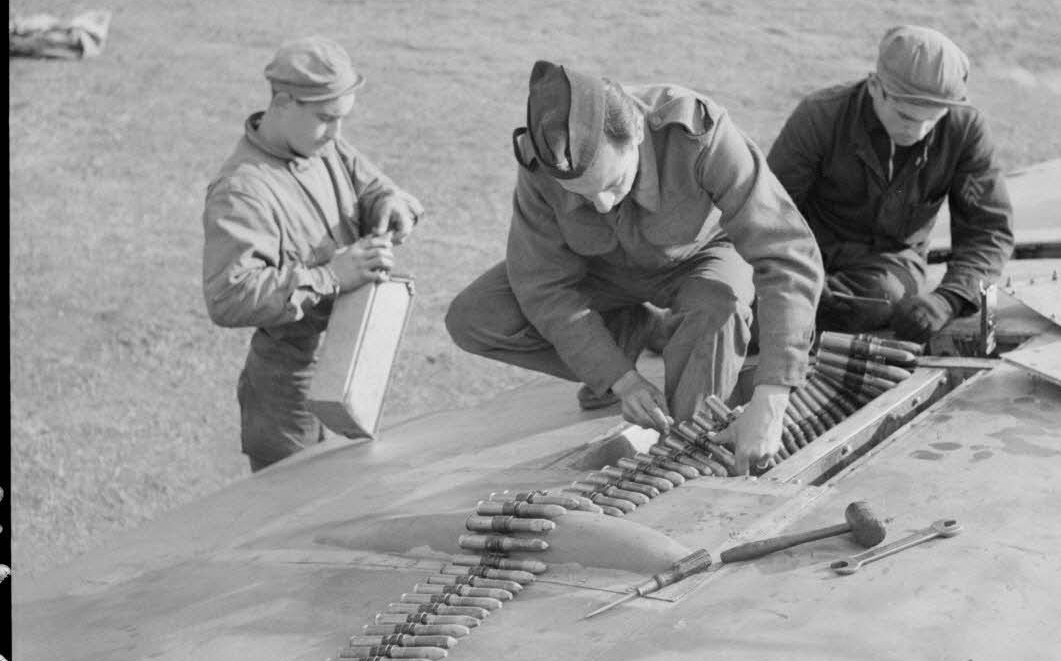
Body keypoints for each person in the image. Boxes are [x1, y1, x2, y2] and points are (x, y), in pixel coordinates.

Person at [445, 60, 824, 475]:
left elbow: (786, 251)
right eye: (584, 196)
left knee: (720, 305)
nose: (603, 205)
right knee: (475, 317)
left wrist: (773, 396)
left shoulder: (698, 132)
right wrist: (619, 377)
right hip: (602, 271)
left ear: (637, 133)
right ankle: (634, 333)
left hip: (699, 260)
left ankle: (689, 451)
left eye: (611, 185)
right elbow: (543, 284)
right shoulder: (543, 162)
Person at [203, 36, 425, 471]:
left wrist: (389, 205)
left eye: (342, 119)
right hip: (290, 391)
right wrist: (332, 276)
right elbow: (228, 296)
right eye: (325, 118)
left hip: (354, 361)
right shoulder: (241, 191)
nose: (337, 132)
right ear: (283, 102)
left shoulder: (322, 144)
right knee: (293, 525)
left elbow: (373, 186)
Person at [766, 24, 1014, 342]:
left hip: (889, 267)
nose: (920, 131)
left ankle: (800, 309)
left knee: (882, 298)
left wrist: (949, 299)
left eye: (933, 119)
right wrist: (787, 273)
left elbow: (989, 231)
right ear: (874, 86)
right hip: (807, 252)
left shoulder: (966, 130)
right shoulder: (820, 115)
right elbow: (769, 212)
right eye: (907, 117)